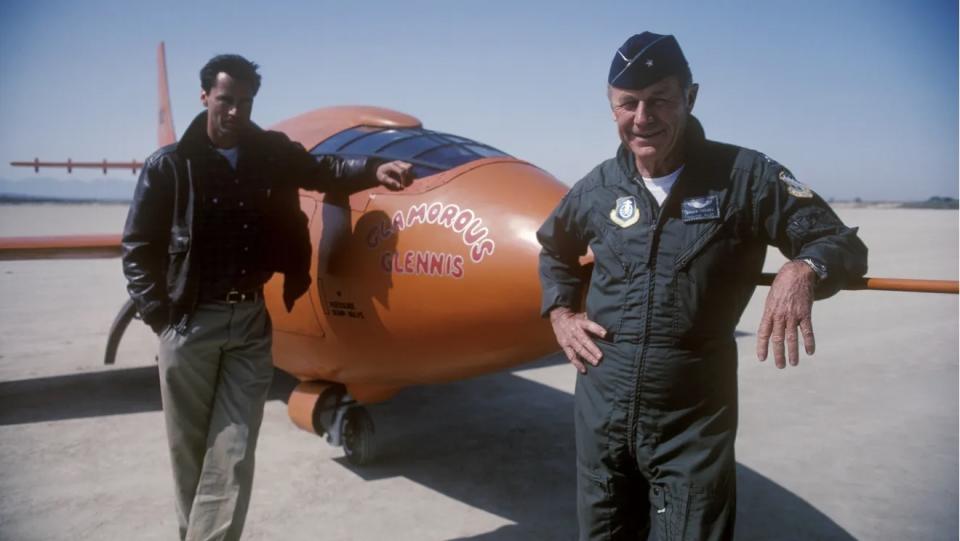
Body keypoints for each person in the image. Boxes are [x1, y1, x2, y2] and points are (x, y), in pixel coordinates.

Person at [537, 32, 867, 540]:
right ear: (612, 108)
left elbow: (837, 241)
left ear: (690, 98)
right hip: (601, 408)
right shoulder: (598, 187)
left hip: (690, 418)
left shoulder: (745, 177)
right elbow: (555, 250)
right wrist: (561, 314)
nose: (643, 117)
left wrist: (803, 270)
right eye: (629, 103)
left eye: (660, 100)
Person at [121, 54, 414, 541]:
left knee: (232, 454)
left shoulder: (269, 153)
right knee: (190, 454)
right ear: (205, 98)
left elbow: (326, 169)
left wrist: (375, 168)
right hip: (190, 326)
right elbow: (137, 247)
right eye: (226, 101)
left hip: (250, 321)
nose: (235, 112)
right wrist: (160, 317)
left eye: (245, 103)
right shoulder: (170, 166)